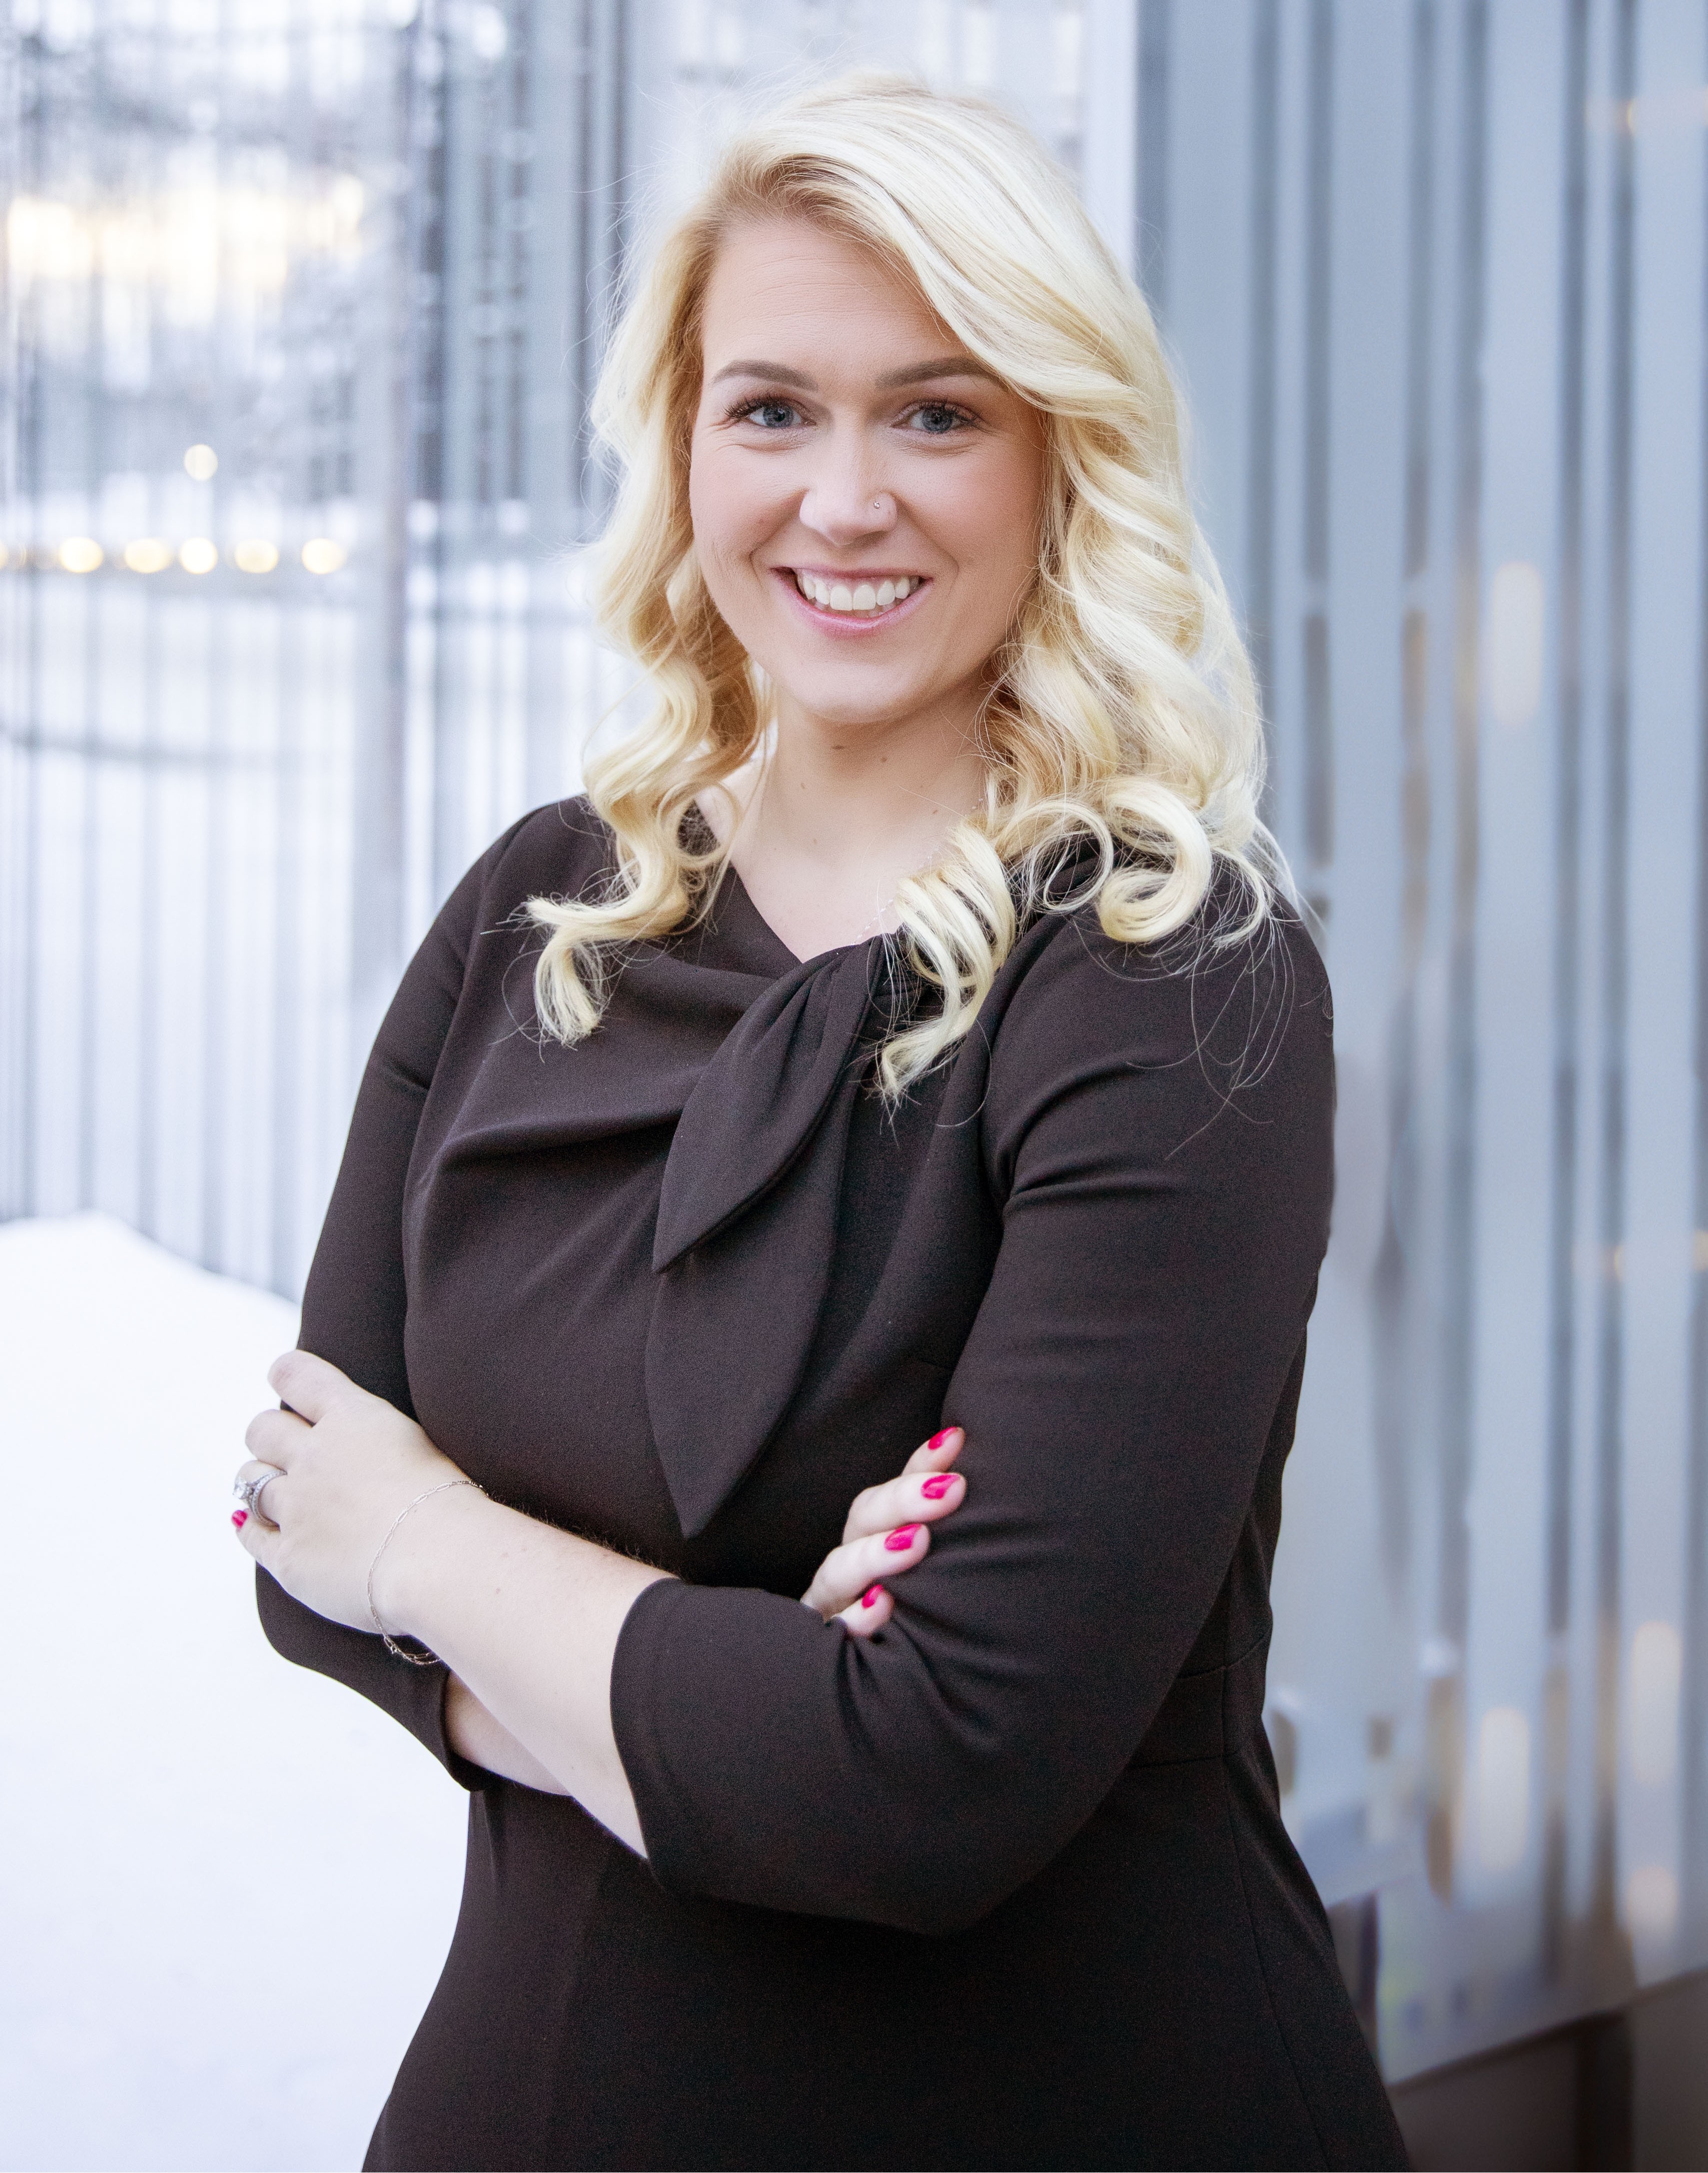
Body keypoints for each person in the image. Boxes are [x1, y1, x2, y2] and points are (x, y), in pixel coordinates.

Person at [231, 74, 1408, 2172]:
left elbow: (917, 1780)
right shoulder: (535, 914)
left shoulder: (1169, 980)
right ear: (683, 443)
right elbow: (293, 1554)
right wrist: (729, 1692)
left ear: (1061, 457)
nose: (841, 499)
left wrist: (440, 1545)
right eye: (770, 408)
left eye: (935, 413)